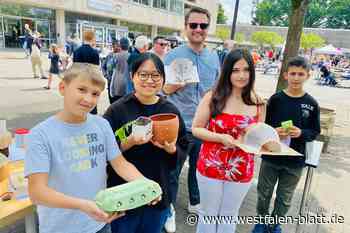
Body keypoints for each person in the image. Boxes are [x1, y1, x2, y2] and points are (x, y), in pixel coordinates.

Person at [25, 63, 157, 233]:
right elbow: (37, 192)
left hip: (100, 223)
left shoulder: (101, 125)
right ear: (62, 87)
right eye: (81, 90)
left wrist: (145, 183)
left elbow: (120, 164)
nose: (88, 99)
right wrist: (82, 206)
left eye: (95, 94)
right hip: (59, 227)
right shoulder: (40, 135)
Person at [103, 53, 187, 233]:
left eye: (156, 75)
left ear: (163, 79)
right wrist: (130, 141)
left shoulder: (170, 111)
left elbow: (183, 147)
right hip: (124, 193)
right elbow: (104, 151)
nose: (150, 80)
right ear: (132, 76)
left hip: (158, 192)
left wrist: (172, 150)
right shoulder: (117, 110)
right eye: (143, 74)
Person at [192, 49, 266, 233]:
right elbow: (196, 129)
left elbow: (258, 136)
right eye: (235, 70)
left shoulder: (259, 103)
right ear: (227, 72)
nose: (241, 75)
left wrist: (264, 143)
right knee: (208, 215)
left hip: (241, 167)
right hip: (211, 165)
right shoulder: (213, 97)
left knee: (229, 216)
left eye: (246, 70)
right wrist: (219, 137)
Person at [162, 7, 220, 233]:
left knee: (200, 168)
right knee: (172, 171)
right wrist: (174, 86)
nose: (198, 29)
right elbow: (162, 90)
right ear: (185, 27)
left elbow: (217, 89)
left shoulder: (213, 57)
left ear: (207, 29)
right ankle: (169, 209)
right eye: (193, 25)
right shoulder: (173, 56)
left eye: (202, 26)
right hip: (179, 125)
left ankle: (195, 202)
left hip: (203, 126)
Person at [252, 56, 321, 233]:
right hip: (271, 156)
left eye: (300, 74)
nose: (296, 78)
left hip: (295, 160)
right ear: (285, 75)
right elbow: (264, 126)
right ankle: (261, 221)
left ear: (308, 75)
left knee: (285, 197)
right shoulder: (276, 99)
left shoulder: (312, 104)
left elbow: (314, 131)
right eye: (292, 74)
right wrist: (274, 131)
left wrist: (301, 133)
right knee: (264, 192)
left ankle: (275, 225)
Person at [73, 30, 100, 114]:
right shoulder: (94, 52)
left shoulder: (76, 51)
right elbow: (96, 70)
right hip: (91, 80)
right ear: (92, 38)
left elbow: (75, 68)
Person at [109, 38, 130, 104]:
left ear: (120, 45)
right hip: (128, 84)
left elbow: (109, 68)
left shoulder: (115, 56)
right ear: (128, 46)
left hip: (117, 84)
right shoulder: (131, 56)